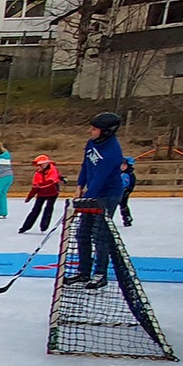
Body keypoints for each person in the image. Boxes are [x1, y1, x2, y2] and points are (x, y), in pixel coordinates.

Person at [64, 112, 125, 290]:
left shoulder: (112, 152)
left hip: (107, 195)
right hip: (92, 192)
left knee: (100, 235)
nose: (90, 131)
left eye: (94, 129)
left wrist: (85, 198)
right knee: (82, 233)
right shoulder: (92, 143)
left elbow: (101, 177)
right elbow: (86, 166)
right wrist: (79, 185)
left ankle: (100, 274)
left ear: (106, 131)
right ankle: (83, 272)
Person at [21, 154, 64, 234]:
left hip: (52, 192)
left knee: (48, 208)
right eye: (38, 165)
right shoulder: (37, 174)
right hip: (41, 193)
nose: (38, 167)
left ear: (45, 164)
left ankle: (44, 226)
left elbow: (51, 181)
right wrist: (29, 197)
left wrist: (39, 185)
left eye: (40, 165)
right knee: (36, 209)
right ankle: (25, 227)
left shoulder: (53, 170)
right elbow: (35, 187)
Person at [117, 158, 138, 226]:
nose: (122, 167)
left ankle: (127, 218)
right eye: (121, 165)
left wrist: (127, 190)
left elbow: (130, 183)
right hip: (117, 191)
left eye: (124, 165)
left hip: (124, 191)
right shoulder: (119, 173)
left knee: (123, 205)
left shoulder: (129, 174)